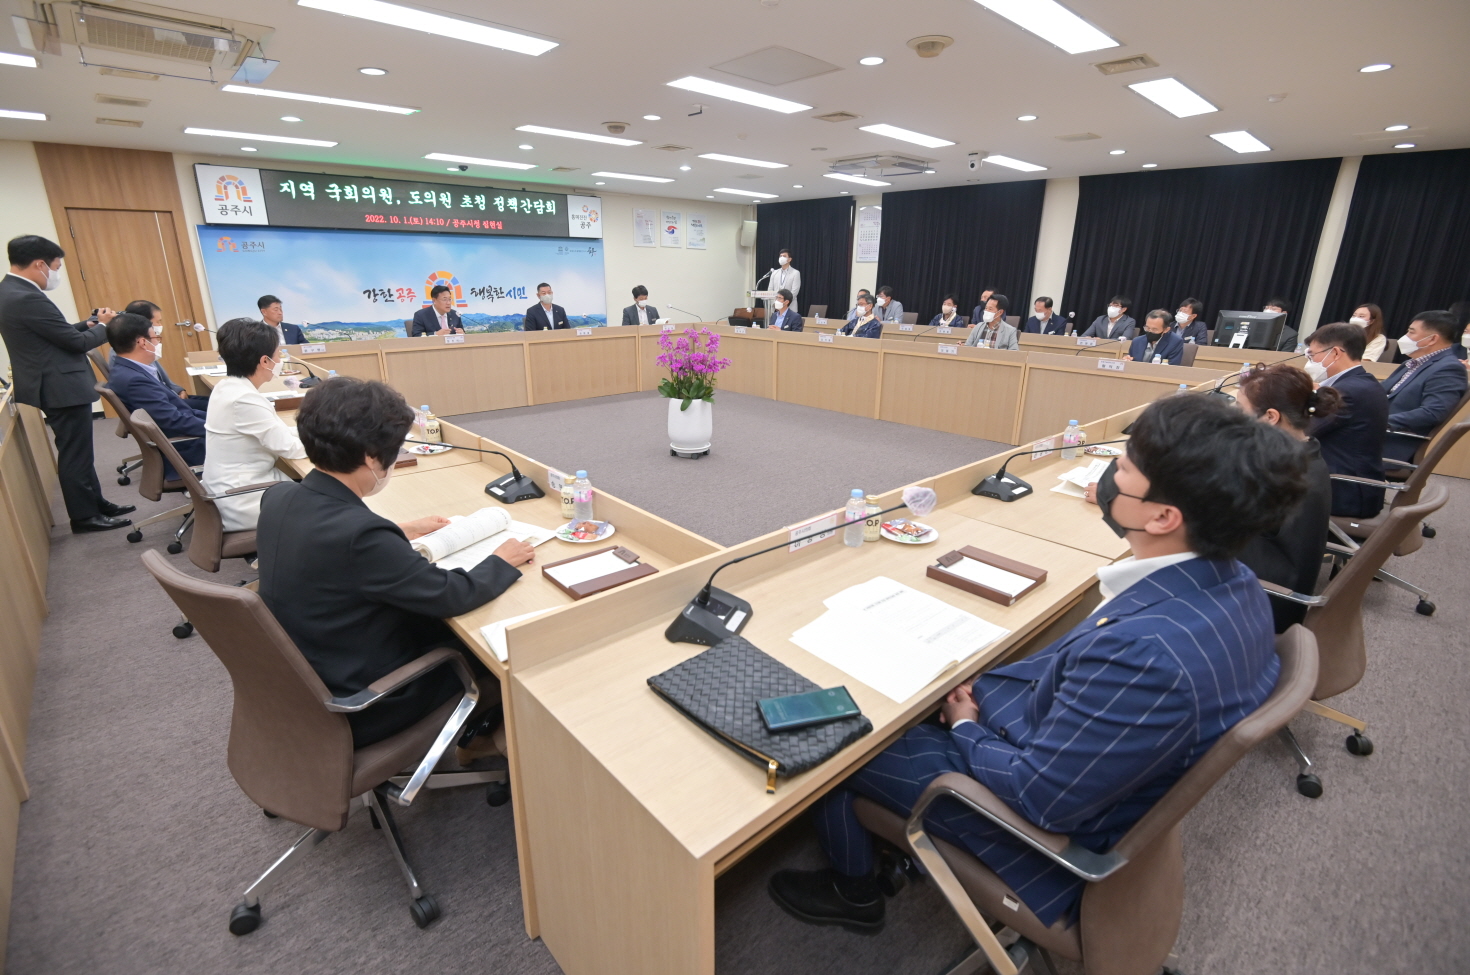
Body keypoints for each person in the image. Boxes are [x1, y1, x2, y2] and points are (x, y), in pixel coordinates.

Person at [767, 394, 1305, 934]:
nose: (1107, 477)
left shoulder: (1147, 657)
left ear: (1163, 516)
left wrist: (967, 725)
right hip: (1086, 757)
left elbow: (1039, 797)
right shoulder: (1235, 582)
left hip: (1044, 830)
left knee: (839, 742)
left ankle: (855, 891)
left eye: (1121, 469)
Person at [256, 376, 535, 752]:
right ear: (372, 457)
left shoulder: (279, 497)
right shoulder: (361, 536)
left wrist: (399, 530)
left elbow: (332, 543)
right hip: (369, 698)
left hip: (313, 674)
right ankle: (493, 744)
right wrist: (501, 561)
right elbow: (451, 595)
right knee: (497, 647)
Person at [0, 235, 133, 533]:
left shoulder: (10, 291)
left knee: (79, 450)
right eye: (56, 267)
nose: (56, 273)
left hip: (53, 382)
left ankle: (96, 503)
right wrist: (106, 326)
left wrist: (88, 324)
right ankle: (85, 516)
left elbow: (53, 333)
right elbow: (75, 343)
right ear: (40, 264)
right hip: (60, 386)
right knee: (76, 453)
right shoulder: (27, 297)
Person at [1233, 364, 1338, 633]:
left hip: (1262, 605)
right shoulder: (1304, 454)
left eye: (1240, 410)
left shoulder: (1284, 477)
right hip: (1267, 582)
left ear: (1270, 416)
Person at [203, 318, 308, 533]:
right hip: (244, 498)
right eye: (278, 355)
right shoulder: (244, 399)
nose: (279, 360)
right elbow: (291, 449)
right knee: (332, 506)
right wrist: (339, 444)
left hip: (238, 485)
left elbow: (279, 432)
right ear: (265, 361)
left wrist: (315, 432)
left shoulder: (227, 387)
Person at [105, 311, 207, 478]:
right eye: (156, 338)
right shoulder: (134, 380)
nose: (158, 343)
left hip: (185, 438)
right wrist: (221, 428)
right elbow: (175, 421)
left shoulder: (129, 370)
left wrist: (217, 421)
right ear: (142, 342)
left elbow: (179, 412)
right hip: (187, 450)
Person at [1306, 322, 1388, 518]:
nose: (1310, 361)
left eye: (1312, 355)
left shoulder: (1347, 392)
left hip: (1343, 490)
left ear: (1335, 353)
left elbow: (1303, 433)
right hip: (1344, 475)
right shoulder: (1361, 381)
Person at [1381, 310, 1468, 462]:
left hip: (1392, 443)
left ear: (1432, 339)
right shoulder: (1410, 363)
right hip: (1374, 434)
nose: (1405, 337)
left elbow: (1433, 412)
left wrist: (1379, 420)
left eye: (1411, 332)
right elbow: (1378, 392)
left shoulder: (1448, 368)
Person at [121, 299, 209, 409]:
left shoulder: (142, 348)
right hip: (165, 402)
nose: (160, 325)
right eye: (158, 322)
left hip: (169, 397)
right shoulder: (131, 351)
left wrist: (177, 389)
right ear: (143, 322)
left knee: (215, 402)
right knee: (218, 406)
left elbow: (159, 376)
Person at [767, 247, 800, 318]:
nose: (781, 258)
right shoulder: (775, 273)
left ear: (789, 259)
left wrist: (784, 303)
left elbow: (794, 291)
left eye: (784, 256)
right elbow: (770, 289)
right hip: (776, 308)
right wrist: (775, 303)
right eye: (780, 256)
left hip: (790, 307)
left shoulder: (795, 273)